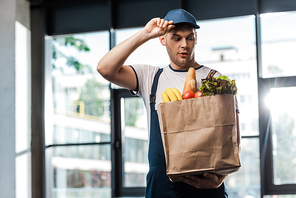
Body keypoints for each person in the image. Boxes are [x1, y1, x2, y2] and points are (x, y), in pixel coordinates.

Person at [97, 8, 240, 198]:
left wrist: (221, 177)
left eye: (189, 38)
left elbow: (233, 134)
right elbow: (105, 68)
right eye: (176, 38)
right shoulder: (151, 77)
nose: (184, 45)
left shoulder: (216, 79)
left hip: (207, 184)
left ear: (196, 38)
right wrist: (145, 34)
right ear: (163, 39)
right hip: (162, 186)